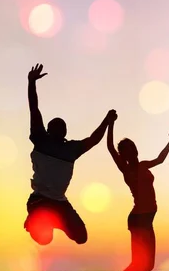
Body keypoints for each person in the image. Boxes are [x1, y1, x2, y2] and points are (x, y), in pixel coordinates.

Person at [24, 64, 116, 245]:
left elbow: (94, 139)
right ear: (49, 130)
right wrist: (31, 82)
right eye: (56, 127)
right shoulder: (41, 139)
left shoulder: (72, 149)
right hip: (39, 200)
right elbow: (34, 109)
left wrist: (107, 120)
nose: (60, 129)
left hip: (59, 202)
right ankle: (38, 220)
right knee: (45, 240)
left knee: (82, 238)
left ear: (66, 132)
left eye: (63, 127)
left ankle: (55, 220)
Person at [98, 116, 169, 271]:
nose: (133, 152)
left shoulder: (143, 165)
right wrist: (111, 123)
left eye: (133, 148)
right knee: (138, 265)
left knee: (144, 266)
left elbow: (160, 159)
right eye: (128, 150)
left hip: (145, 220)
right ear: (124, 155)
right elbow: (109, 148)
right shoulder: (127, 169)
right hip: (139, 219)